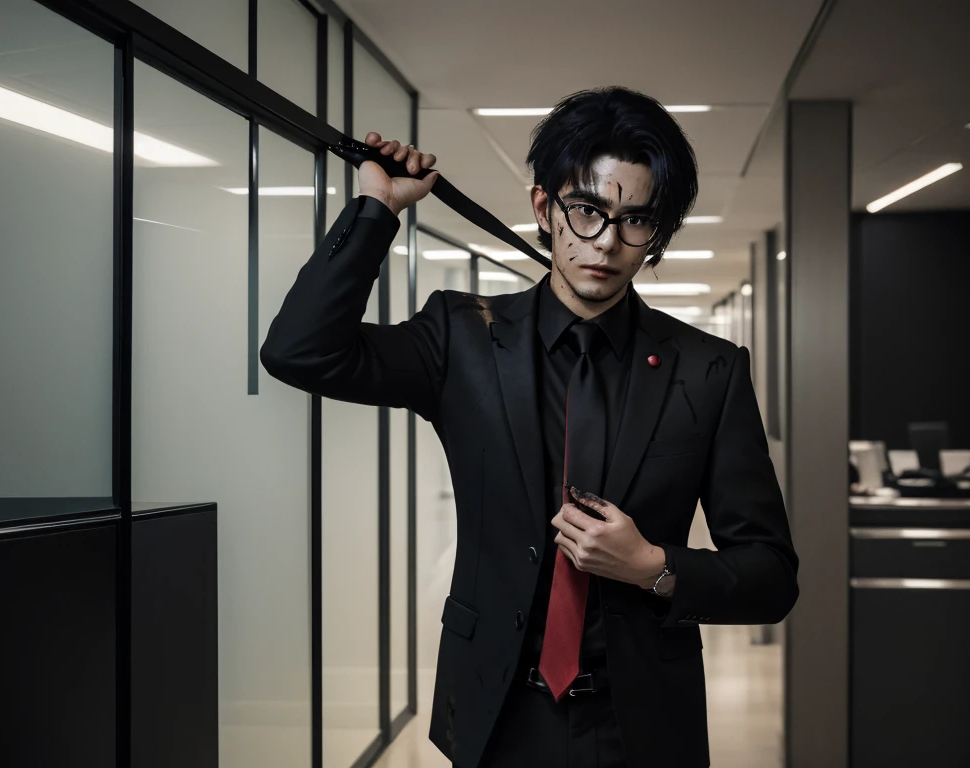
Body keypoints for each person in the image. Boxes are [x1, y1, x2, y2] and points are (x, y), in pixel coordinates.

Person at [261, 86, 799, 768]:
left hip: (641, 724)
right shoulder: (461, 337)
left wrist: (654, 568)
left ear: (658, 233)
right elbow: (298, 352)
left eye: (636, 221)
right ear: (545, 207)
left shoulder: (709, 371)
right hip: (496, 714)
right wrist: (378, 209)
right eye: (588, 211)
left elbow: (771, 577)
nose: (606, 243)